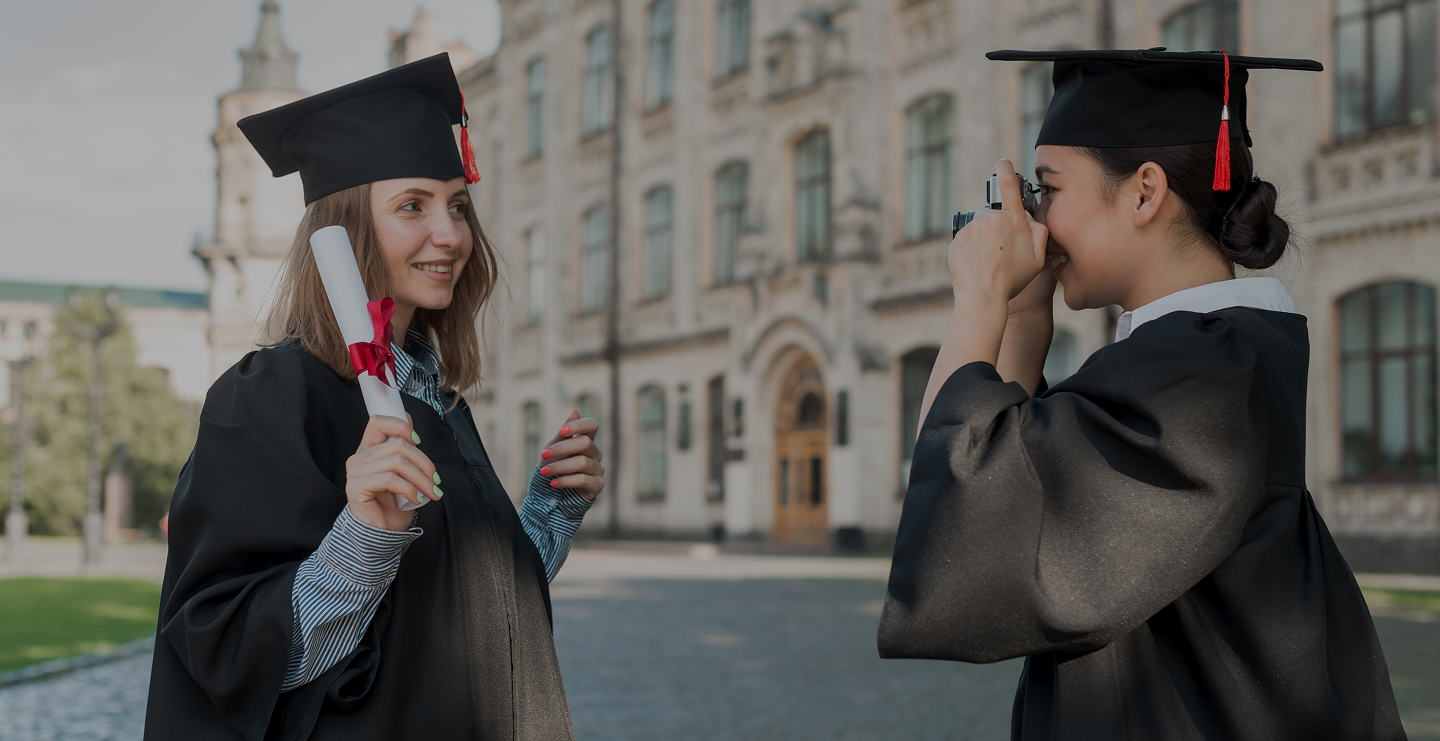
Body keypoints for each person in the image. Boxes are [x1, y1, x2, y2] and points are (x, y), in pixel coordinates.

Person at [877, 49, 1406, 739]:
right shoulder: (1194, 355)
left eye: (1049, 188)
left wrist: (979, 296)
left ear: (1145, 192)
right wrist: (1026, 312)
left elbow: (970, 514)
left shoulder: (1201, 373)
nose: (1035, 218)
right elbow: (994, 468)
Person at [144, 54, 603, 740]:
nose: (449, 235)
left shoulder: (435, 403)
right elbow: (237, 658)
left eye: (458, 206)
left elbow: (472, 620)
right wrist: (362, 541)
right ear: (347, 227)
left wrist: (550, 511)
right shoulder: (269, 398)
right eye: (412, 206)